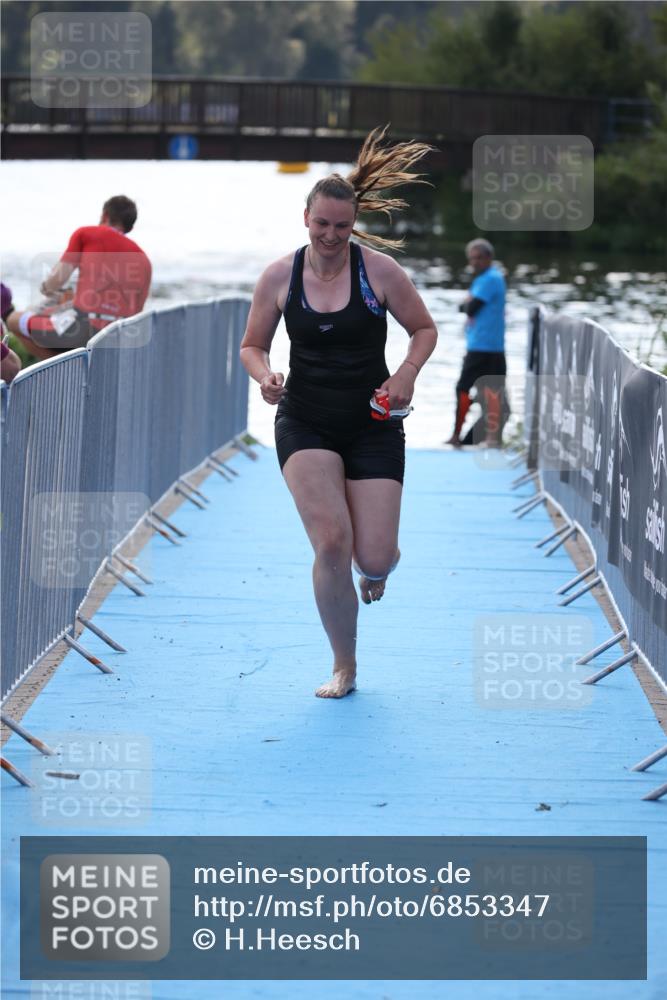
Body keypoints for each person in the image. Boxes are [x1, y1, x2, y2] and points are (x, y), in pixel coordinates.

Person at [239, 127, 438, 699]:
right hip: (305, 419)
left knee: (373, 555)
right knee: (331, 541)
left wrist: (405, 375)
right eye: (321, 224)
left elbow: (424, 329)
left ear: (354, 226)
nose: (330, 235)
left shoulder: (378, 273)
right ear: (305, 217)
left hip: (373, 422)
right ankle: (344, 666)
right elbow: (252, 346)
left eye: (342, 227)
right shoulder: (279, 276)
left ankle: (376, 568)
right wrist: (265, 376)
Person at [3, 196, 152, 361]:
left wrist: (46, 288)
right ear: (130, 226)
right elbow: (137, 313)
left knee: (14, 319)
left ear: (104, 215)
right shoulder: (144, 260)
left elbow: (56, 281)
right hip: (119, 338)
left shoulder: (86, 234)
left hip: (82, 329)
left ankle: (58, 374)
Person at [446, 238, 508, 447]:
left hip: (488, 348)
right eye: (472, 258)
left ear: (489, 258)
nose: (475, 262)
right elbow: (463, 307)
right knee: (468, 390)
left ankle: (484, 438)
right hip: (477, 345)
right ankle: (460, 437)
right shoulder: (481, 279)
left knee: (488, 392)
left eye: (479, 258)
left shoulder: (491, 278)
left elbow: (470, 308)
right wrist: (465, 305)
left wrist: (466, 305)